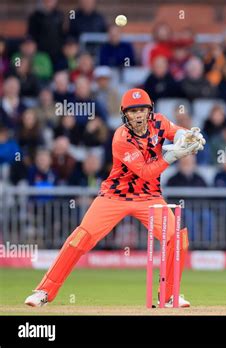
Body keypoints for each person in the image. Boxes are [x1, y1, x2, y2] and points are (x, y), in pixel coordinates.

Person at [24, 88, 205, 308]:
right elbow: (146, 172)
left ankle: (167, 296)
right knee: (80, 238)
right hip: (115, 196)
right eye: (133, 111)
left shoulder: (159, 122)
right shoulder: (121, 138)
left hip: (149, 196)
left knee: (177, 237)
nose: (138, 115)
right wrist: (173, 155)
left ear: (149, 111)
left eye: (142, 110)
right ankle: (44, 291)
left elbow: (175, 132)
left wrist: (187, 137)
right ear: (124, 114)